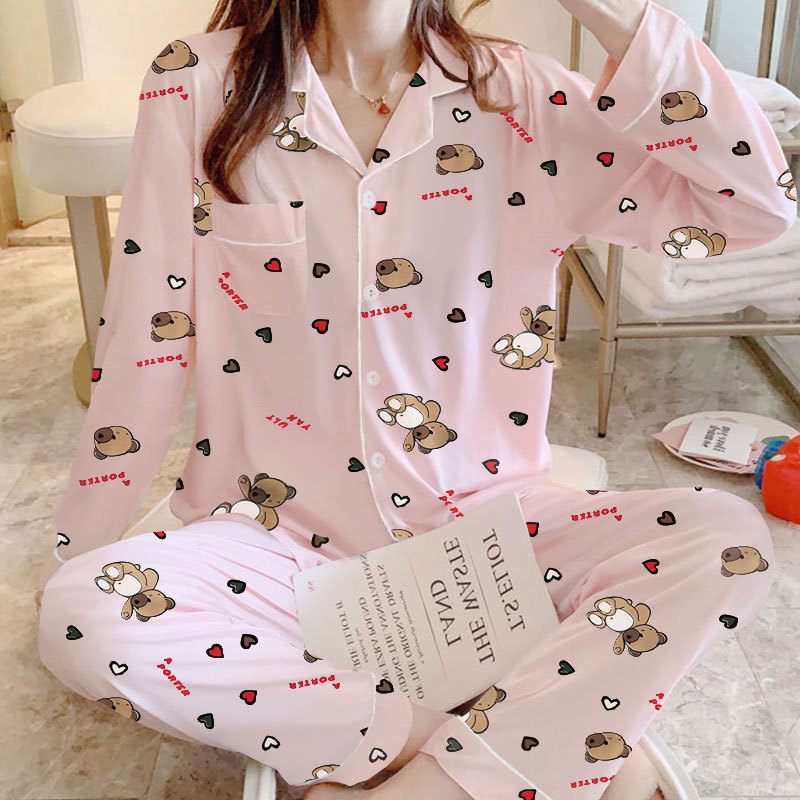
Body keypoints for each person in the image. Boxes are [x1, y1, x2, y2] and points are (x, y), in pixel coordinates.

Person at [35, 0, 791, 797]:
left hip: (486, 544)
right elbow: (145, 341)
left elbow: (751, 208)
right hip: (275, 544)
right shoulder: (197, 84)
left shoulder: (523, 98)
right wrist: (81, 552)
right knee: (84, 614)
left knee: (724, 537)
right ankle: (474, 744)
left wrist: (609, 9)